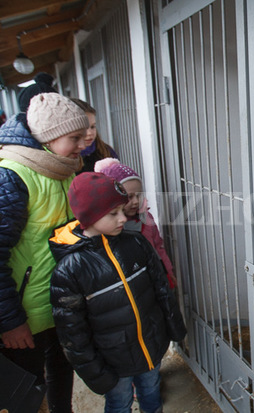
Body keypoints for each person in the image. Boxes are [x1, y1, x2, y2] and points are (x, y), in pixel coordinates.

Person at [49, 172, 187, 413]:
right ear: (88, 217)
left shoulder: (136, 243)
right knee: (120, 402)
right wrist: (95, 373)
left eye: (122, 210)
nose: (123, 218)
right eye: (113, 214)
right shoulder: (70, 270)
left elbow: (161, 290)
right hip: (113, 364)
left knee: (152, 390)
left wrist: (174, 328)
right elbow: (73, 333)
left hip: (149, 347)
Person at [0, 92, 90, 413]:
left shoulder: (62, 168)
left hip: (59, 302)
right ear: (49, 138)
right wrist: (9, 322)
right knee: (28, 394)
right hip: (24, 316)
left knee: (62, 374)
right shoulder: (11, 176)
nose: (84, 144)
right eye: (75, 137)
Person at [95, 158, 177, 289]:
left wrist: (167, 270)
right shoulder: (109, 226)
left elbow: (158, 246)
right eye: (129, 196)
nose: (135, 201)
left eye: (139, 195)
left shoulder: (146, 217)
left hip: (154, 275)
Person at [70, 98, 118, 173]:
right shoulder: (65, 158)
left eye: (93, 127)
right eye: (84, 128)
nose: (89, 133)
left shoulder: (106, 152)